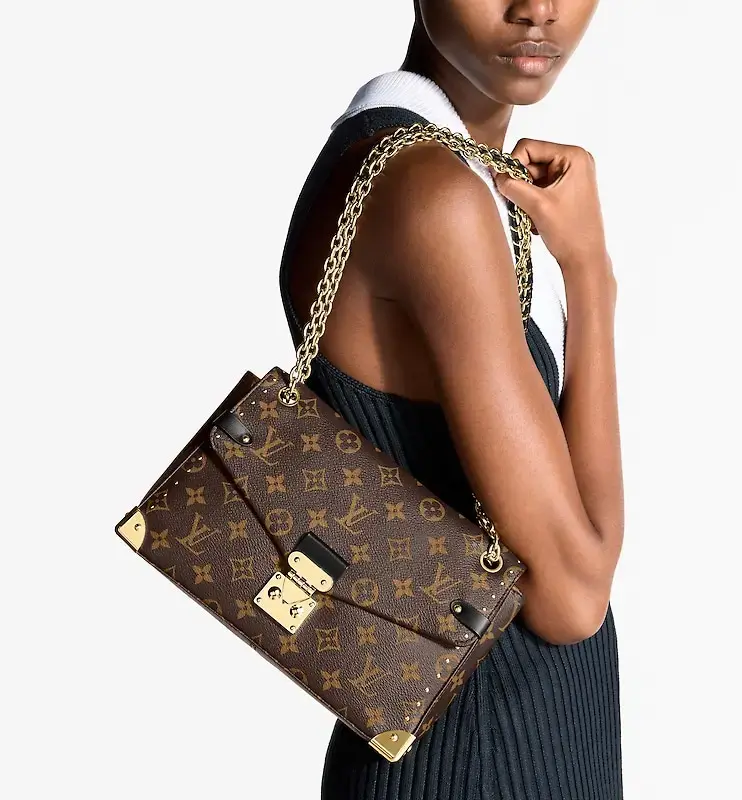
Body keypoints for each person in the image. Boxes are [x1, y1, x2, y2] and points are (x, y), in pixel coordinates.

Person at [277, 2, 624, 798]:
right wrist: (590, 278)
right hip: (481, 757)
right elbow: (572, 598)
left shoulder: (395, 157)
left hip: (482, 742)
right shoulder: (432, 192)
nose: (538, 9)